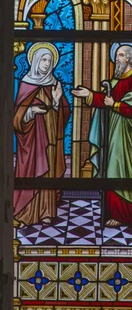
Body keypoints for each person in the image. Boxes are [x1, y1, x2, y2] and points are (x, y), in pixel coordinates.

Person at [72, 43, 132, 227]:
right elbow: (105, 99)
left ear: (129, 58)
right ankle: (114, 212)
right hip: (114, 133)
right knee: (111, 167)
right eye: (117, 55)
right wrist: (88, 94)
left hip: (127, 135)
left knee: (120, 169)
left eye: (120, 55)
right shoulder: (117, 80)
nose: (117, 59)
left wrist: (114, 104)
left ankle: (129, 213)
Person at [14, 43, 69, 227]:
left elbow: (63, 114)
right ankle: (25, 213)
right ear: (36, 61)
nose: (47, 64)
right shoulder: (26, 84)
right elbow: (16, 119)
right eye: (44, 60)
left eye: (50, 61)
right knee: (32, 173)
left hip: (51, 139)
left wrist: (56, 102)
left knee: (49, 172)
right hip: (31, 141)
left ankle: (47, 211)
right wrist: (31, 111)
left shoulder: (54, 83)